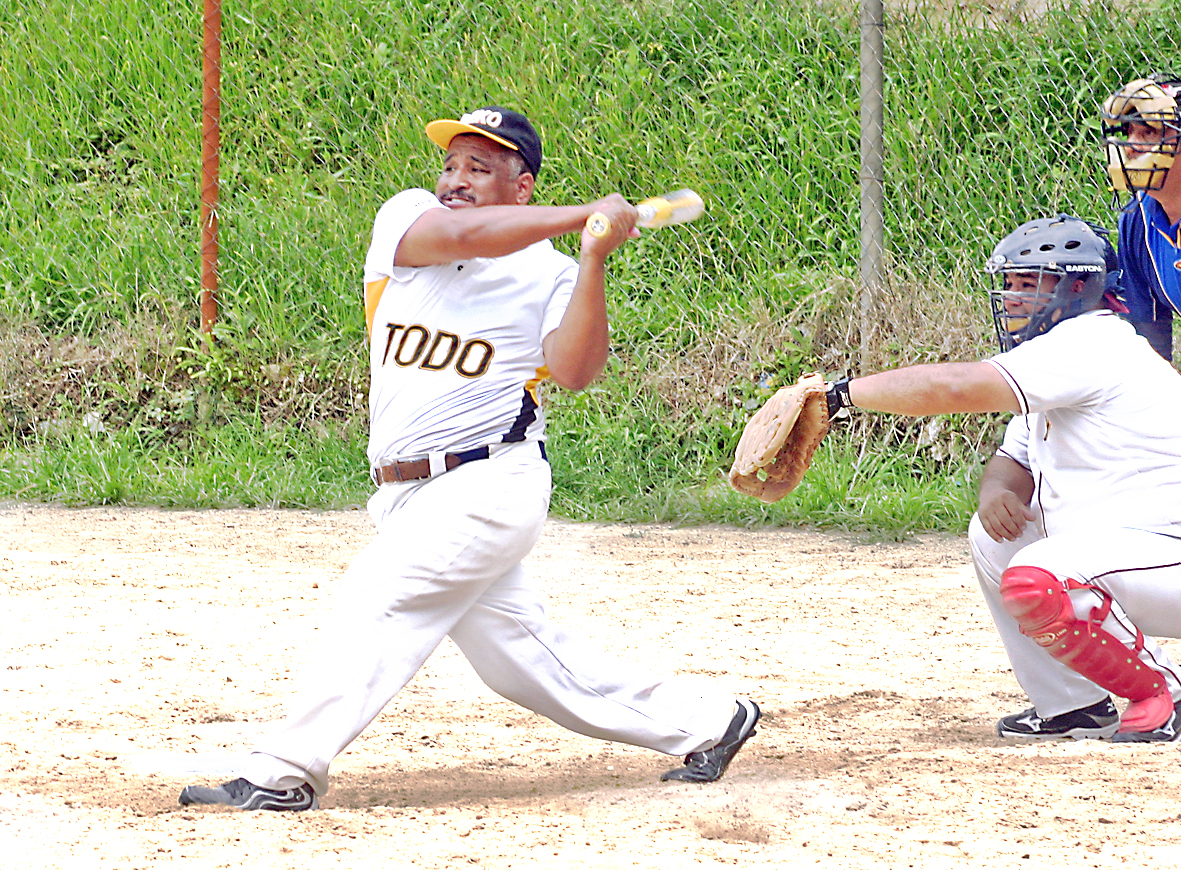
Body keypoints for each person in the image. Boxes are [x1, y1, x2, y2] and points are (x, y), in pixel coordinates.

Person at [176, 106, 758, 811]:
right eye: (450, 164)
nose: (454, 179)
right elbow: (460, 235)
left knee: (377, 599)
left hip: (488, 484)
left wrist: (594, 259)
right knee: (524, 665)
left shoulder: (549, 276)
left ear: (522, 189)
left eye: (479, 168)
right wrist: (584, 216)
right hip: (404, 495)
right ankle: (708, 719)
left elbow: (573, 372)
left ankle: (280, 774)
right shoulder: (408, 219)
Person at [820, 214, 1181, 743]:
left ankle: (1162, 692)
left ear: (1080, 287)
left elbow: (957, 388)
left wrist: (839, 396)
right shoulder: (1058, 356)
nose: (1013, 297)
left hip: (1166, 559)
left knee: (1041, 572)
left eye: (1030, 283)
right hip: (1137, 562)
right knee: (994, 539)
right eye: (1009, 283)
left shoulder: (1092, 342)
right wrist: (996, 493)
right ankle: (1073, 706)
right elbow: (1012, 460)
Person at [1100, 74, 1181, 360]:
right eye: (1129, 132)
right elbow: (1151, 352)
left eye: (1148, 133)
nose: (1130, 146)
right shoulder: (1137, 220)